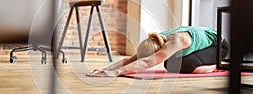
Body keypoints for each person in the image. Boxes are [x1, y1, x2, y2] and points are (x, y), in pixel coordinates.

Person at [86, 26, 229, 77]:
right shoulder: (156, 40)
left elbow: (147, 62)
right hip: (199, 42)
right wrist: (105, 69)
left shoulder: (175, 42)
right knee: (170, 65)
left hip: (218, 46)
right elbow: (133, 59)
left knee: (193, 68)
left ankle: (218, 65)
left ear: (158, 50)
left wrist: (115, 73)